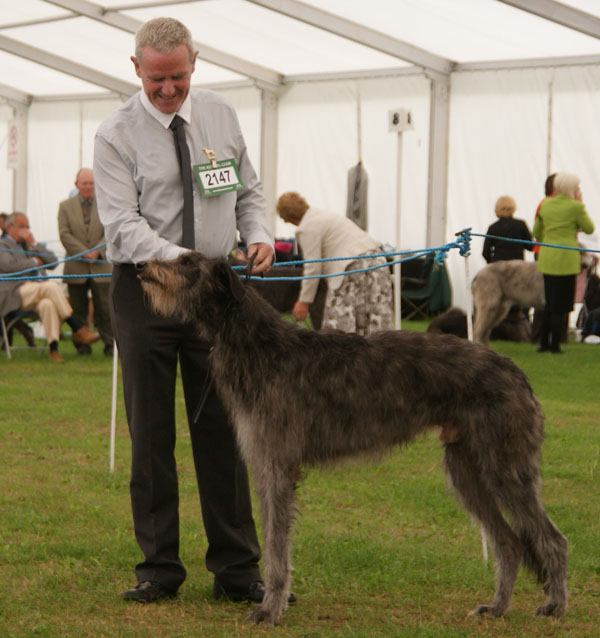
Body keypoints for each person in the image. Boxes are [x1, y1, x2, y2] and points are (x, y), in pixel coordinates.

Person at [93, 17, 278, 604]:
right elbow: (122, 227)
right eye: (156, 81)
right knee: (151, 434)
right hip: (147, 290)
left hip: (219, 298)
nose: (167, 89)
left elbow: (246, 189)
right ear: (136, 69)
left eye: (177, 77)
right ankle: (159, 570)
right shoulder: (114, 134)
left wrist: (260, 233)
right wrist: (188, 262)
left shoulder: (220, 115)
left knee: (224, 429)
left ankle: (238, 570)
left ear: (194, 63)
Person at [276, 191, 393, 335]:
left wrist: (304, 302)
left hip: (352, 266)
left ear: (288, 218)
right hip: (378, 261)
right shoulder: (322, 215)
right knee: (375, 320)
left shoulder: (306, 227)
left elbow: (313, 267)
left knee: (339, 326)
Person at [0, 212, 100, 362]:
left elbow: (53, 262)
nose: (26, 230)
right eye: (22, 227)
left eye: (28, 227)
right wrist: (34, 261)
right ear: (9, 227)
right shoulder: (3, 245)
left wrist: (34, 244)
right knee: (50, 287)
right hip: (15, 293)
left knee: (47, 303)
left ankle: (54, 350)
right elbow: (9, 266)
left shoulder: (30, 245)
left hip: (36, 292)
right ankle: (77, 328)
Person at [533, 172, 595, 353]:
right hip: (566, 258)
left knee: (549, 301)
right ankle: (555, 345)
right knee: (562, 304)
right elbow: (589, 228)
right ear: (572, 189)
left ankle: (543, 343)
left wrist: (549, 240)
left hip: (547, 257)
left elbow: (536, 231)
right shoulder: (575, 207)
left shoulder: (545, 204)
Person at [58, 168, 114, 356]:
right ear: (77, 185)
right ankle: (82, 347)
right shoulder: (65, 206)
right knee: (77, 309)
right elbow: (64, 234)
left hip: (102, 266)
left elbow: (111, 230)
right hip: (76, 267)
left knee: (106, 309)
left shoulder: (108, 204)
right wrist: (83, 253)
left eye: (91, 183)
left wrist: (97, 251)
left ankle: (110, 345)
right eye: (85, 183)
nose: (88, 187)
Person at [482, 196, 533, 263]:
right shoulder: (521, 225)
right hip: (518, 266)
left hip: (499, 266)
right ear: (513, 208)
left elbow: (485, 253)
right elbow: (530, 247)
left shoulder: (493, 227)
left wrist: (493, 263)